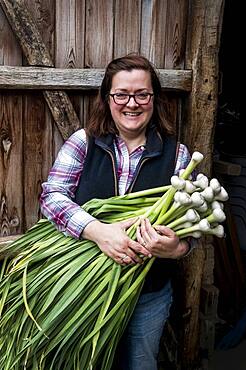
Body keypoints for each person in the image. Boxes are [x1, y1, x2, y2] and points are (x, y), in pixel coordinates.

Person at [40, 54, 192, 370]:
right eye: (121, 94)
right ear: (108, 98)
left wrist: (175, 248)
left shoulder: (178, 155)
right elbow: (52, 197)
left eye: (142, 94)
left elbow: (190, 233)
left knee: (139, 365)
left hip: (147, 296)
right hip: (80, 287)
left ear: (155, 98)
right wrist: (98, 231)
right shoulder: (83, 142)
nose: (131, 103)